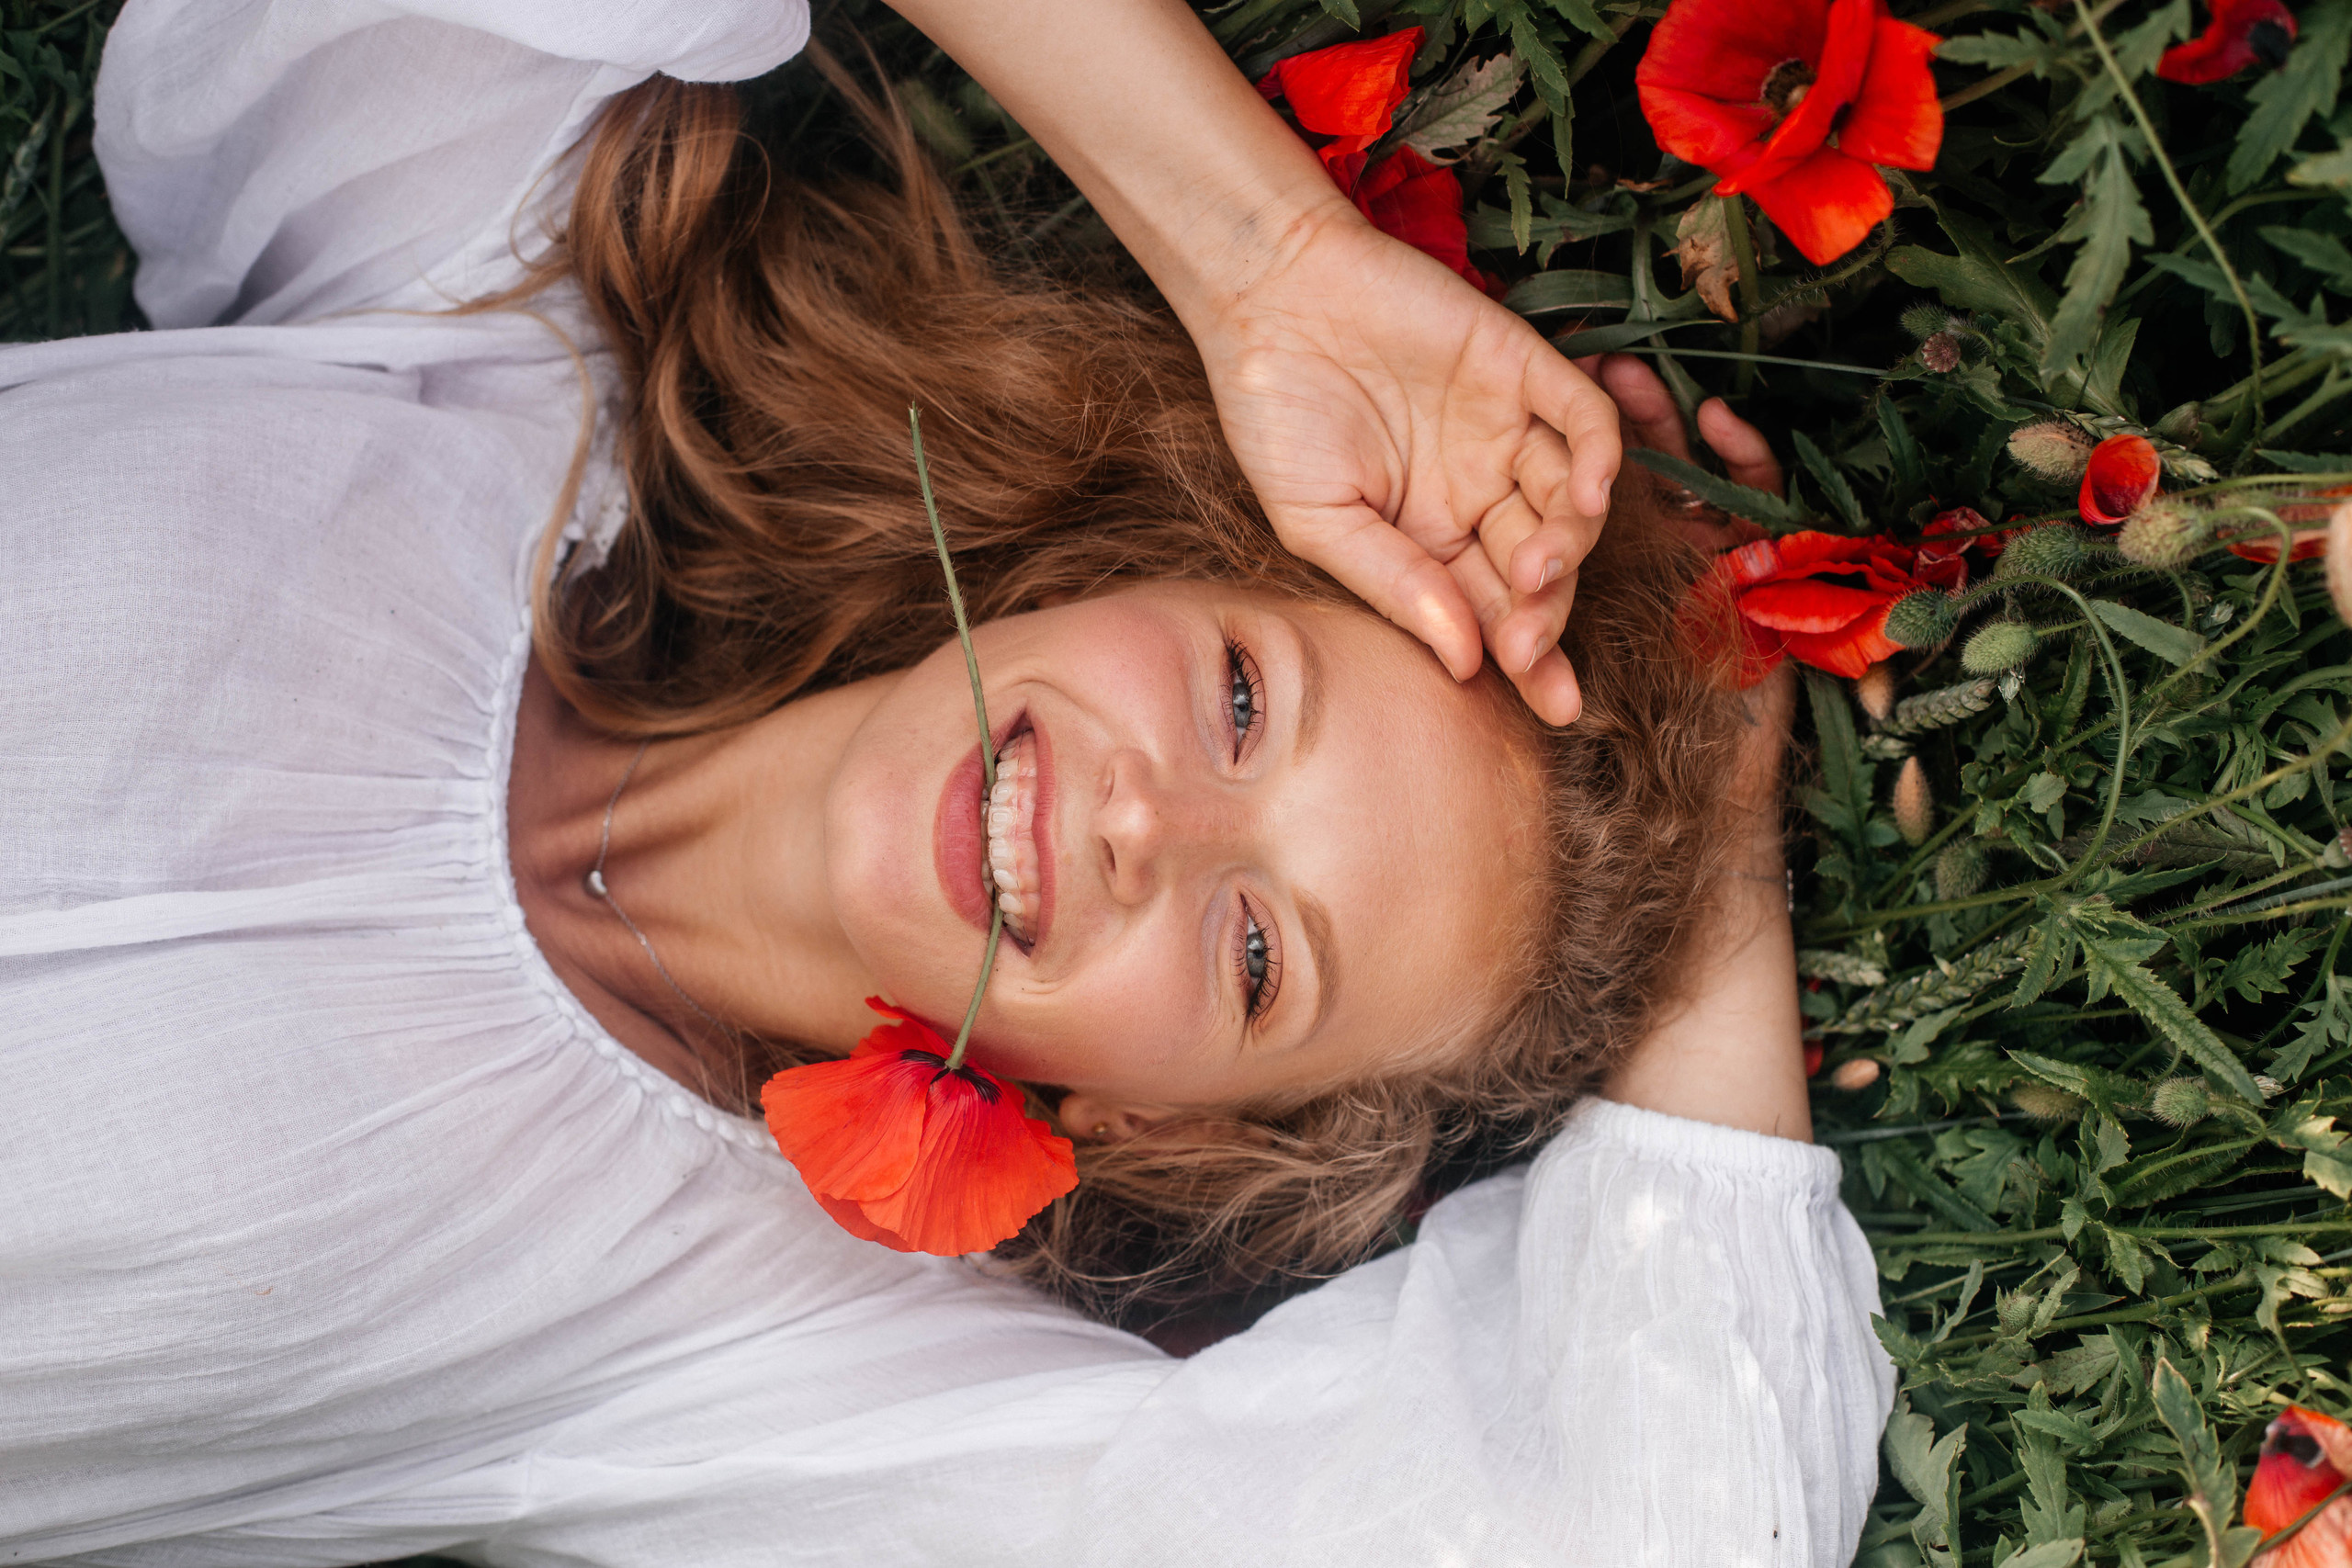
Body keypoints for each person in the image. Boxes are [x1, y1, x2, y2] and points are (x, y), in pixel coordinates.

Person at [0, 1, 1893, 1563]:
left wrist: (1709, 886)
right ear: (1127, 565)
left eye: (1258, 956)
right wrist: (1267, 266)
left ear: (1161, 1121)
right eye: (1241, 697)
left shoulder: (739, 1357)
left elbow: (1641, 1530)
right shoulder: (476, 340)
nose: (1146, 824)